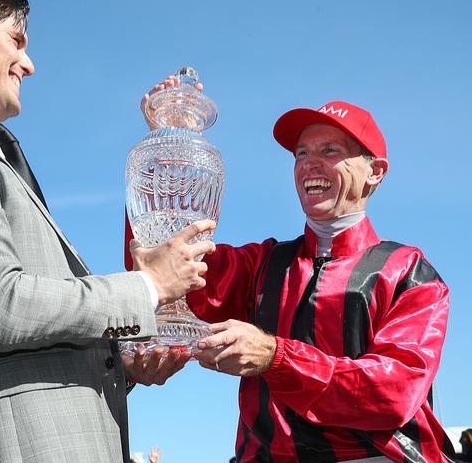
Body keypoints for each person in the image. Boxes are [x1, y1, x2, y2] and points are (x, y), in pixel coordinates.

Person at [0, 0, 213, 462]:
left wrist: (120, 361)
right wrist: (146, 288)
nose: (29, 64)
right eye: (16, 40)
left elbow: (33, 322)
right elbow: (0, 307)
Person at [183, 99, 456, 461]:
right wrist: (173, 144)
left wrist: (275, 357)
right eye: (300, 153)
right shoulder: (262, 263)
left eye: (330, 150)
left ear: (375, 171)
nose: (309, 164)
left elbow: (393, 392)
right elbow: (173, 266)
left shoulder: (409, 272)